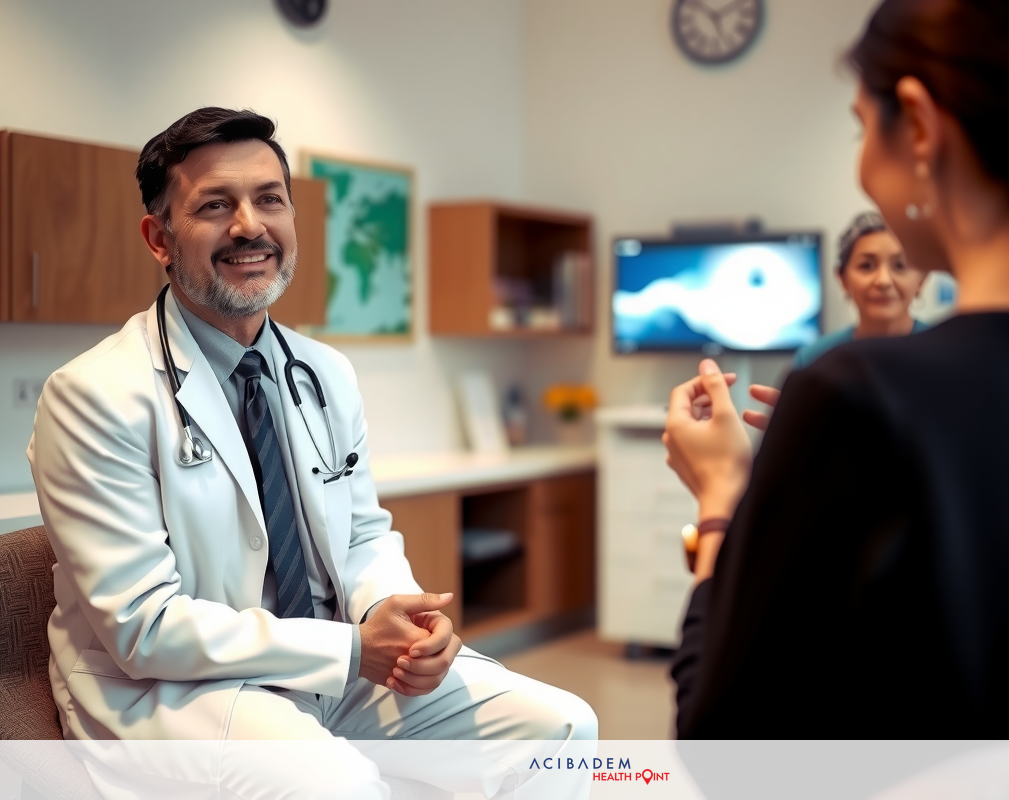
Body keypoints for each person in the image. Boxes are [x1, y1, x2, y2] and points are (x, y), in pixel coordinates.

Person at [665, 0, 1009, 738]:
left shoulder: (856, 398)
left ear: (918, 125)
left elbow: (723, 753)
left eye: (861, 126)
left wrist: (721, 501)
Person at [27, 108, 595, 797]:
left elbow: (359, 534)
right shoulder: (93, 394)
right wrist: (353, 649)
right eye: (214, 205)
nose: (248, 225)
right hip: (176, 689)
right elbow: (143, 627)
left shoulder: (324, 373)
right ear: (160, 238)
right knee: (340, 786)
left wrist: (397, 616)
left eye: (269, 199)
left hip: (332, 665)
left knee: (563, 730)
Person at [794, 211, 929, 368]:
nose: (883, 281)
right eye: (866, 266)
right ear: (843, 279)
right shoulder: (814, 360)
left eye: (900, 266)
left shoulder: (948, 356)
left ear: (922, 280)